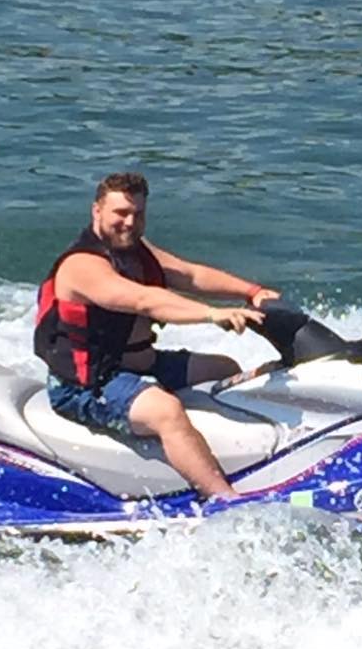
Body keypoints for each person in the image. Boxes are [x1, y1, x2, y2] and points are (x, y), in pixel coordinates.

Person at [34, 171, 279, 498]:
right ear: (97, 211)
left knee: (225, 368)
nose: (130, 223)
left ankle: (253, 456)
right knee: (166, 411)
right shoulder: (81, 266)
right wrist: (211, 314)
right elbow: (144, 300)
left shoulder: (136, 251)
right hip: (89, 385)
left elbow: (191, 275)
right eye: (121, 213)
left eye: (138, 214)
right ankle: (224, 499)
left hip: (142, 364)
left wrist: (253, 291)